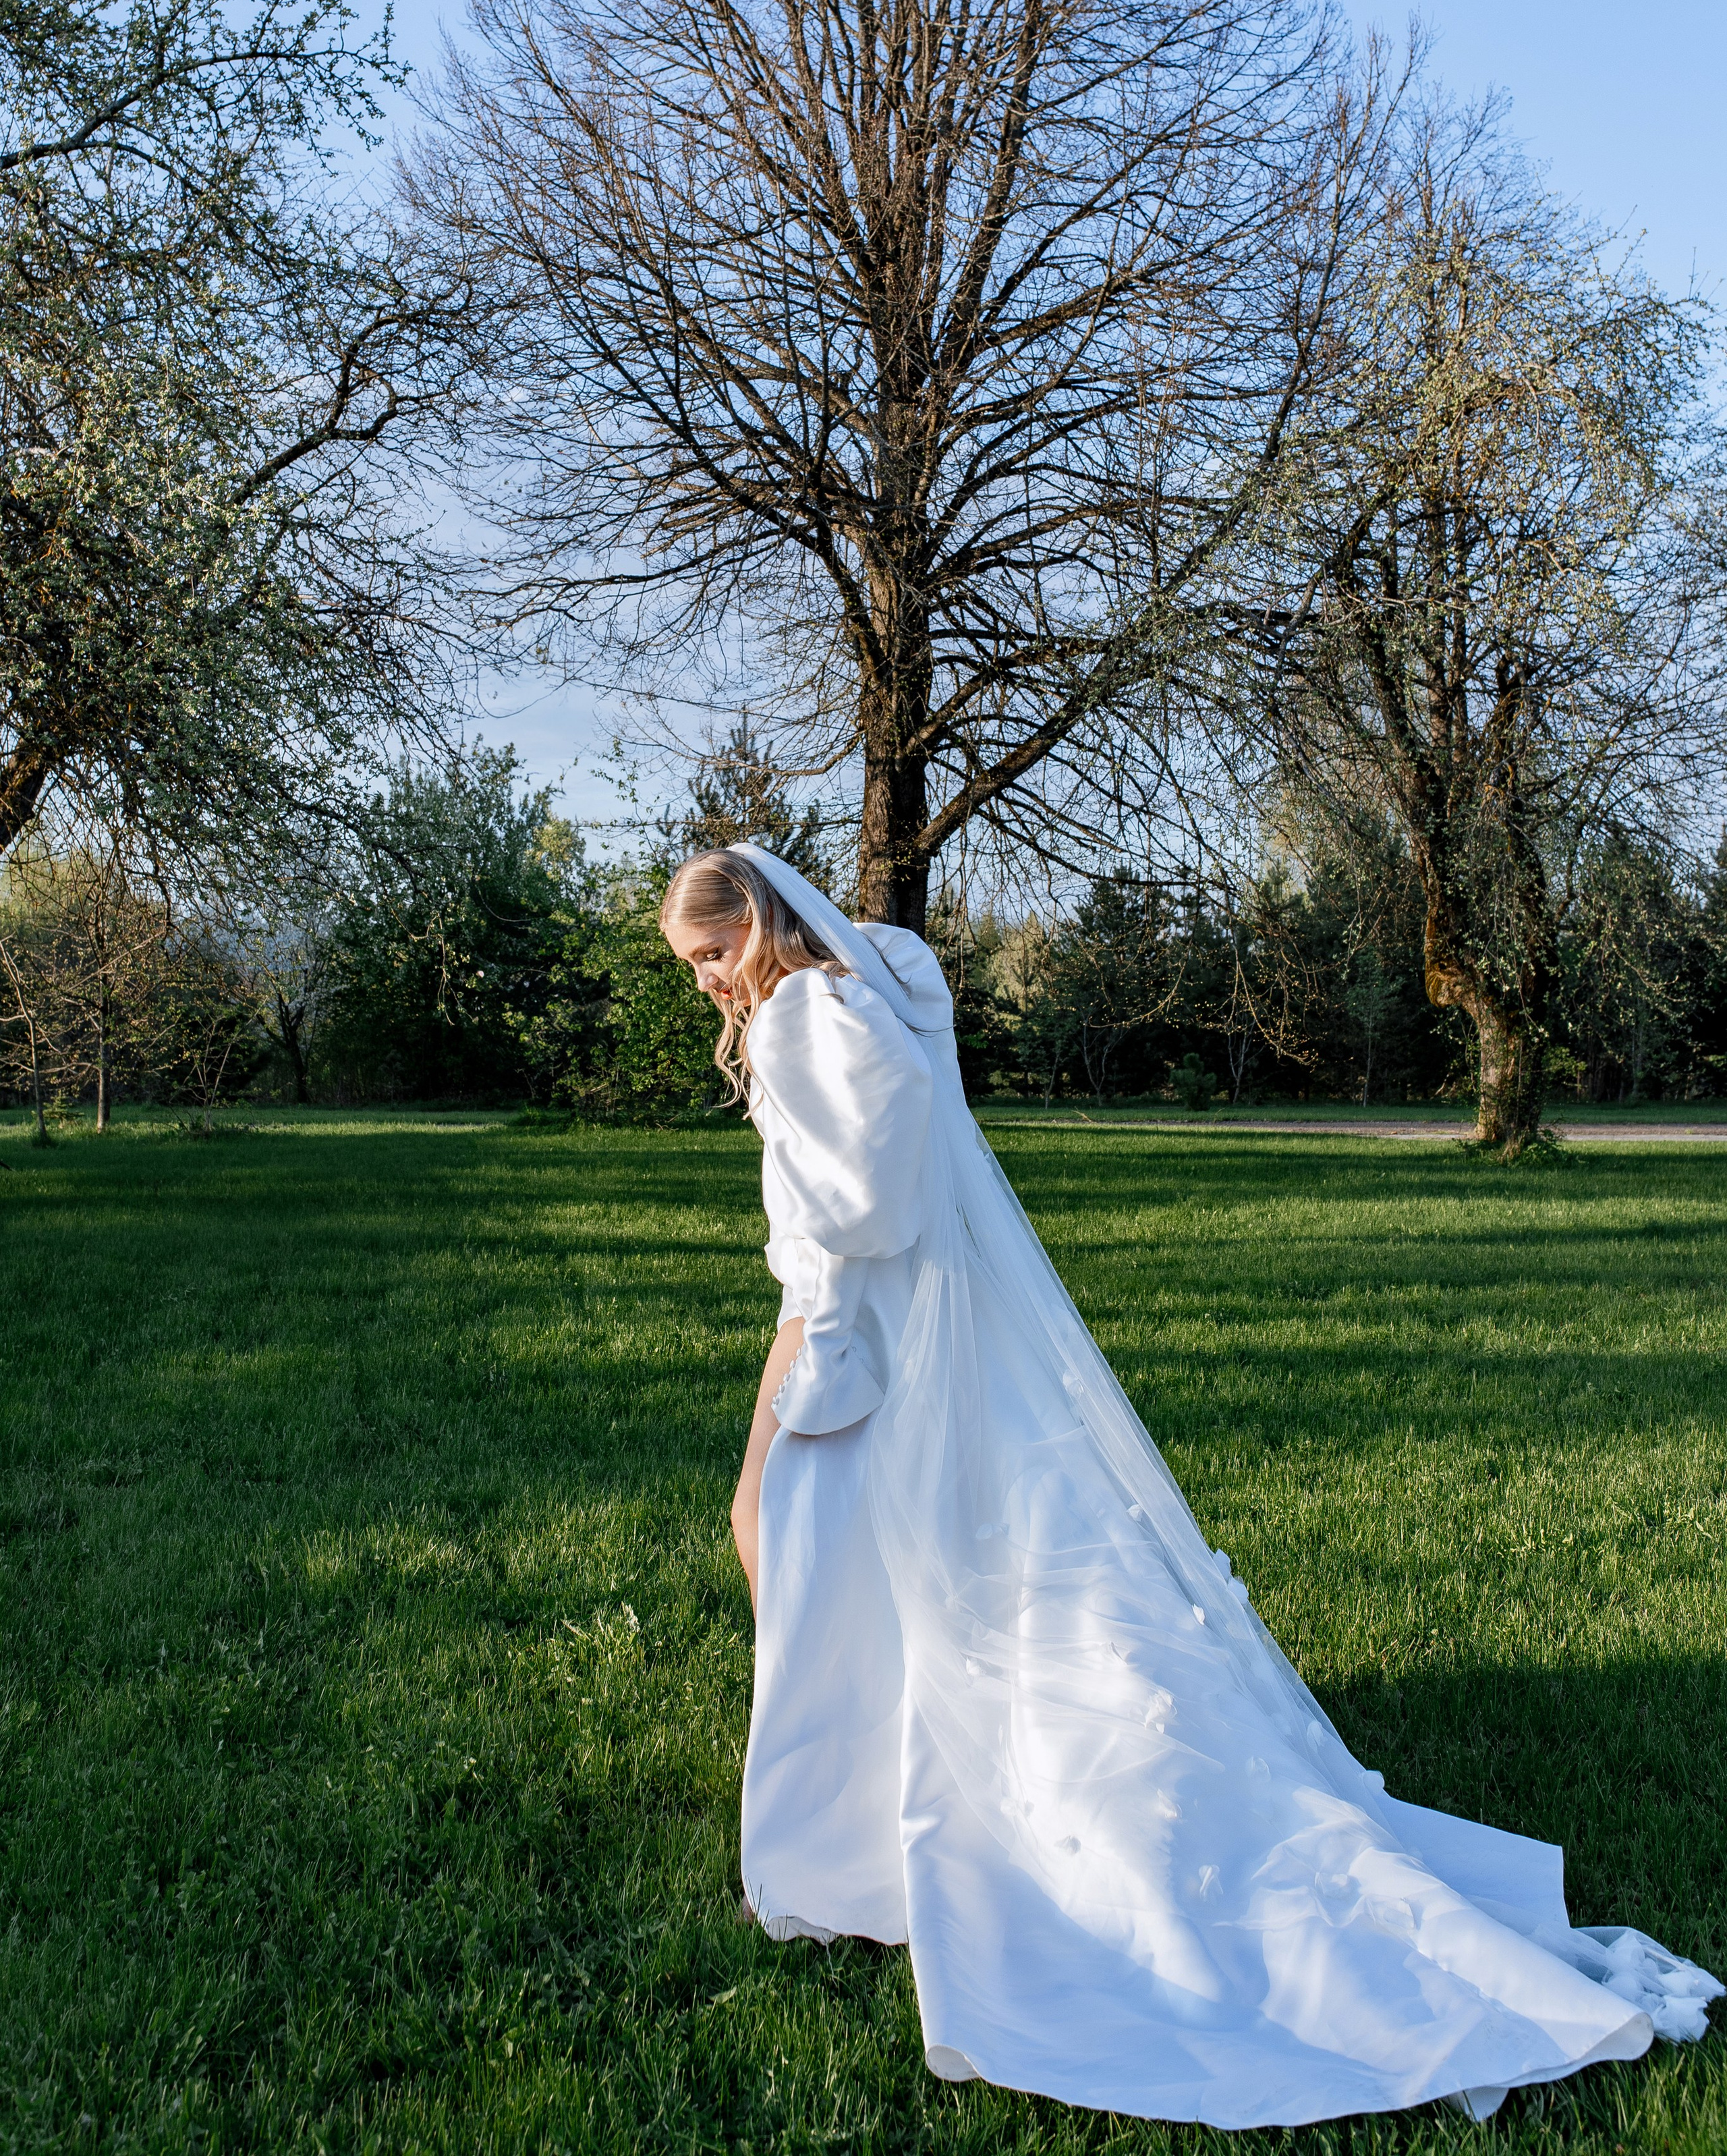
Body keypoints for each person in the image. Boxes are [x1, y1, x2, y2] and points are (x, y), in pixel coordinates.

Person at [659, 843, 1720, 2128]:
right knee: (859, 1560)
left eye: (714, 953)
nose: (711, 984)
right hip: (892, 1328)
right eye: (695, 967)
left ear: (759, 923)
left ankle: (858, 1846)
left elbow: (868, 1210)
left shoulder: (801, 1018)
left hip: (849, 1331)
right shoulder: (864, 987)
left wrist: (806, 1299)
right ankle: (875, 1821)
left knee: (799, 1542)